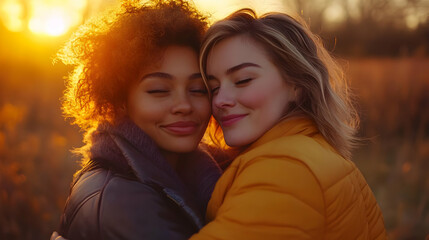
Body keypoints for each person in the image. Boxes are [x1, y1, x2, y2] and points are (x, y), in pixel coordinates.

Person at [189, 8, 387, 239]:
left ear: (296, 85)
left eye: (243, 80)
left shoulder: (285, 169)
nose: (220, 100)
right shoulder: (311, 152)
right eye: (213, 88)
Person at [51, 0, 222, 239]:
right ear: (120, 100)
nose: (184, 105)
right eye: (159, 90)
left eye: (198, 89)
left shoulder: (205, 170)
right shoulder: (121, 201)